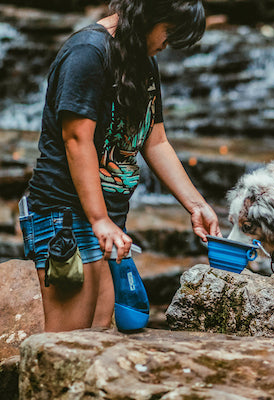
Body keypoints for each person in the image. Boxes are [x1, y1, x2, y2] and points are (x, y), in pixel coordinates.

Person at [19, 0, 221, 332]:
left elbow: (155, 141)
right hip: (65, 217)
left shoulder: (144, 60)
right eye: (169, 33)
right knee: (70, 344)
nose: (167, 45)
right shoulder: (88, 52)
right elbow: (76, 138)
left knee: (99, 334)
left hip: (109, 222)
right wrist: (99, 220)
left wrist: (196, 205)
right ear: (150, 16)